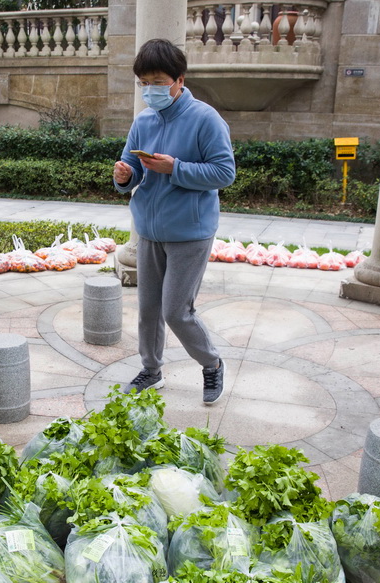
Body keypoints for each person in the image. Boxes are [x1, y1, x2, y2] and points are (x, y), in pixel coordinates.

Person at [112, 39, 236, 404]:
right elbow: (130, 169)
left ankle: (211, 364)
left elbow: (224, 172)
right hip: (150, 230)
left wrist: (175, 168)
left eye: (158, 81)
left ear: (179, 80)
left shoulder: (206, 119)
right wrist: (122, 177)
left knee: (176, 311)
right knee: (148, 310)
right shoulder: (144, 120)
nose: (151, 90)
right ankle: (151, 370)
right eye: (144, 83)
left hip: (189, 232)